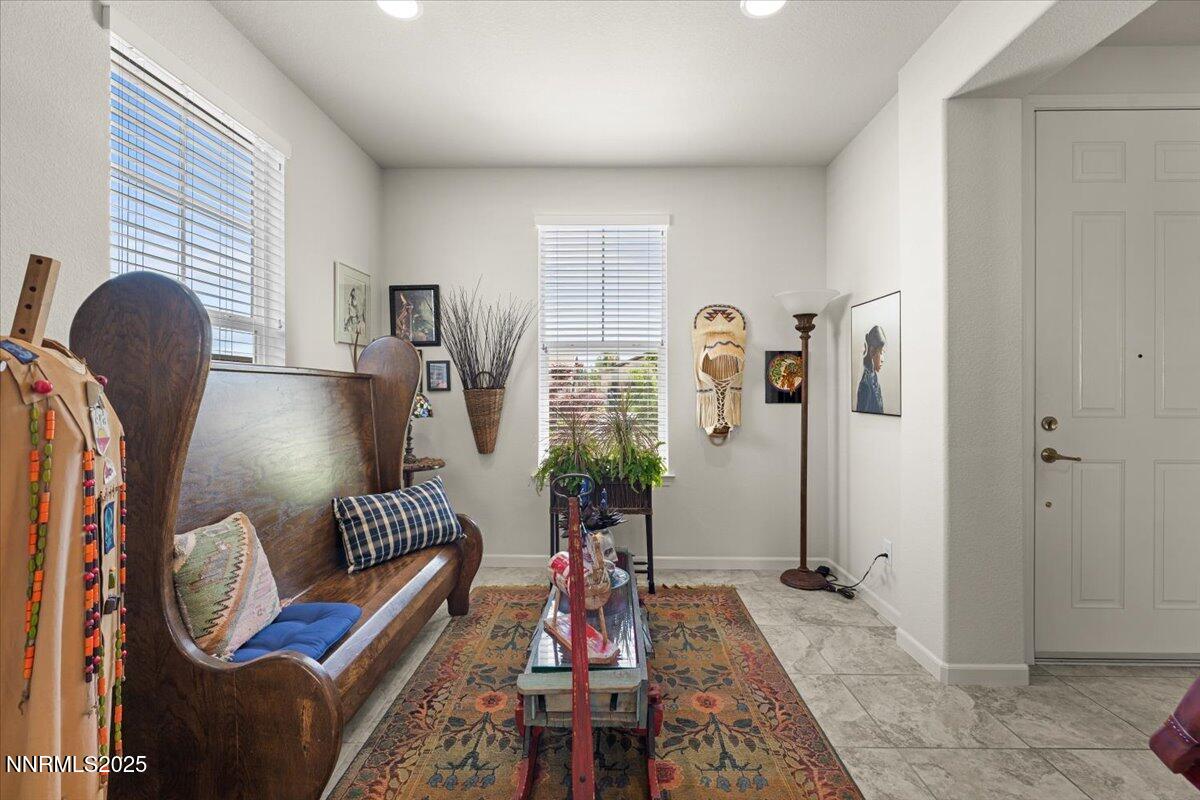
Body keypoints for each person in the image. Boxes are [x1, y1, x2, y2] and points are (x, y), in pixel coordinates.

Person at [856, 325, 886, 413]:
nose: (883, 359)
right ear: (872, 351)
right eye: (881, 352)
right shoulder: (865, 384)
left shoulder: (873, 377)